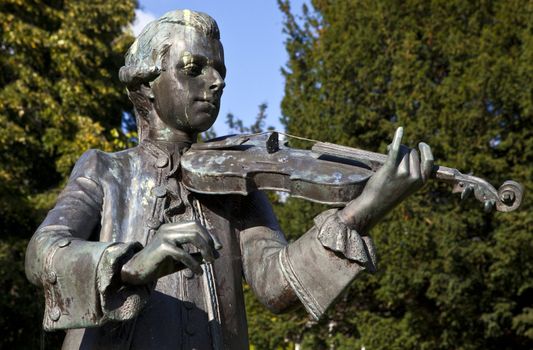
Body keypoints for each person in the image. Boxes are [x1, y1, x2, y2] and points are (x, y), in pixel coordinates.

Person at [25, 10, 433, 350]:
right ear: (147, 82)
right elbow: (42, 253)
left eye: (220, 70)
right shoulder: (105, 169)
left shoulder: (234, 180)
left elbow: (277, 286)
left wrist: (363, 209)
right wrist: (134, 265)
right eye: (194, 68)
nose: (216, 81)